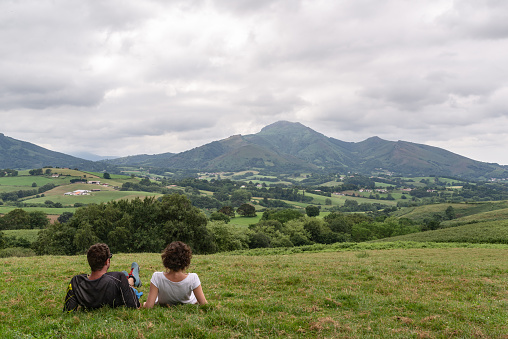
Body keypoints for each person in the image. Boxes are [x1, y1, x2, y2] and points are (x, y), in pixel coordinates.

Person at [63, 243, 142, 312]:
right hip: (121, 285)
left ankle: (130, 278)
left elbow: (69, 310)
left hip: (108, 282)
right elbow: (134, 305)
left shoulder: (76, 281)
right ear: (107, 261)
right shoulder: (118, 277)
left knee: (123, 280)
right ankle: (132, 278)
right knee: (127, 283)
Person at [143, 241, 207, 308]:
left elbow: (148, 306)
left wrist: (144, 304)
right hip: (188, 302)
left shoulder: (157, 277)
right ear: (186, 260)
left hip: (162, 302)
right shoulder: (193, 278)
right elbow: (204, 304)